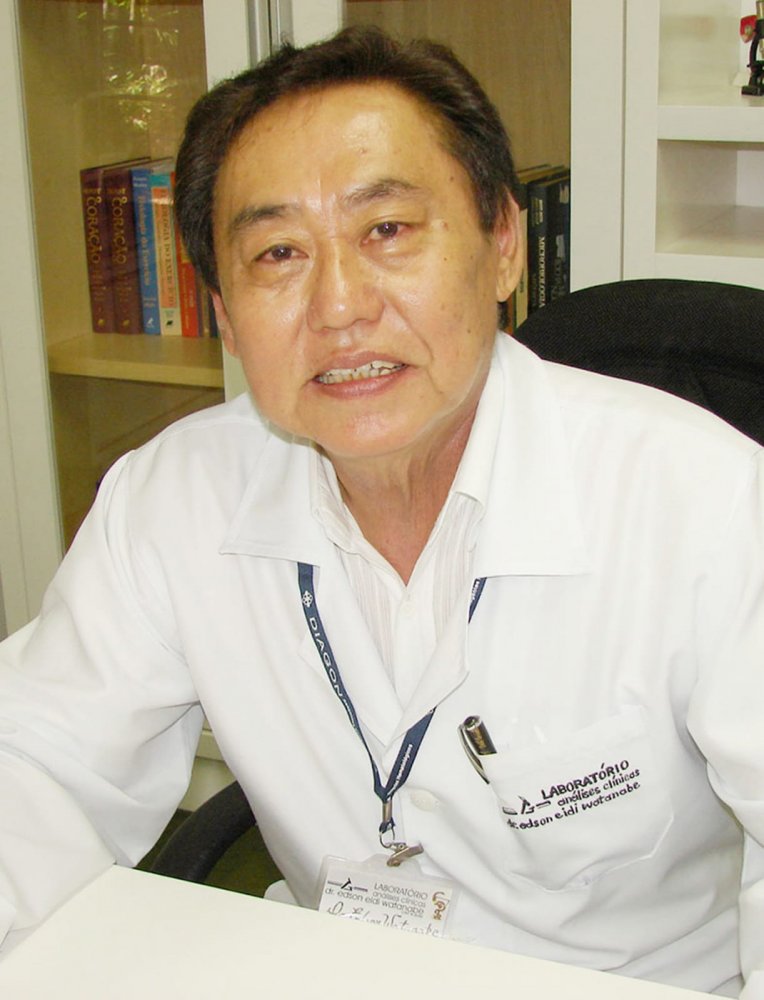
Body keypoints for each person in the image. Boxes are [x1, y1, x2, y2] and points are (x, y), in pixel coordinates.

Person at [0, 25, 762, 997]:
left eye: (388, 231)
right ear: (225, 316)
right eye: (278, 252)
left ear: (502, 245)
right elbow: (35, 763)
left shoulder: (705, 503)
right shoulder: (173, 498)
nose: (340, 306)